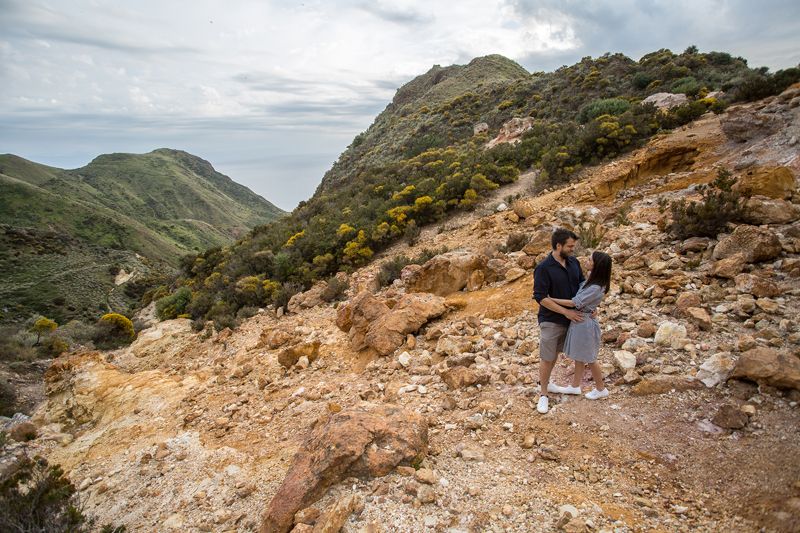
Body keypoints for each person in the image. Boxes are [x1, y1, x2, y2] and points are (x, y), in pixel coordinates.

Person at [548, 250, 613, 401]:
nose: (586, 261)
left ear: (596, 265)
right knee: (580, 356)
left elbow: (575, 302)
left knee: (590, 357)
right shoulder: (592, 280)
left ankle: (601, 389)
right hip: (581, 321)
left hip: (585, 324)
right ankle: (575, 386)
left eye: (590, 260)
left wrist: (551, 299)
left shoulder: (596, 286)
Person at [532, 228, 584, 414]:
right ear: (558, 245)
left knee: (564, 354)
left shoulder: (574, 263)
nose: (572, 249)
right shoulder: (543, 268)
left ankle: (560, 385)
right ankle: (543, 394)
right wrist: (565, 312)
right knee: (548, 357)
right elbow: (540, 297)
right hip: (551, 320)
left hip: (574, 318)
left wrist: (590, 308)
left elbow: (582, 287)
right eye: (570, 246)